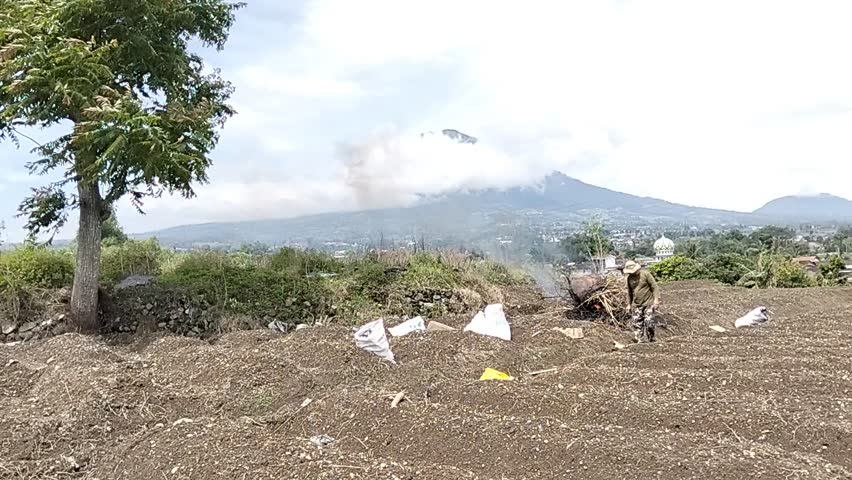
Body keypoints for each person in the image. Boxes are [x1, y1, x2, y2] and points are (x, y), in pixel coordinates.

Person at [623, 260, 661, 343]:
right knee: (637, 323)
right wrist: (629, 304)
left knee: (649, 322)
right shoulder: (629, 278)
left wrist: (656, 299)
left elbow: (654, 287)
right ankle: (640, 341)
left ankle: (652, 339)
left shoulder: (645, 274)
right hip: (636, 304)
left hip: (648, 303)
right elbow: (629, 292)